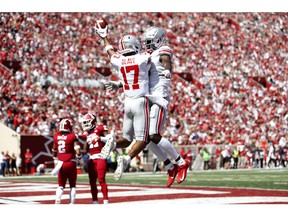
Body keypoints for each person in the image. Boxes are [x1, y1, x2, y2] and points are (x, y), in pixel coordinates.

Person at [94, 21, 166, 182]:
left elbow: (110, 51)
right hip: (141, 102)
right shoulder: (142, 58)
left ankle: (112, 143)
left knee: (126, 140)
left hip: (127, 103)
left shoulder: (119, 60)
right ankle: (126, 160)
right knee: (144, 139)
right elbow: (156, 52)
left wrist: (104, 37)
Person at [142, 26, 190, 186]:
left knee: (154, 135)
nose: (147, 46)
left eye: (149, 42)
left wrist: (168, 71)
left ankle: (181, 162)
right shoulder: (146, 55)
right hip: (148, 98)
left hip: (159, 97)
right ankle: (170, 166)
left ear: (158, 40)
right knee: (146, 139)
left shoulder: (163, 49)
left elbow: (166, 62)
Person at [51, 118, 82, 204]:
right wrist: (79, 156)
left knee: (61, 185)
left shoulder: (56, 136)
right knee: (72, 185)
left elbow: (53, 151)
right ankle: (71, 203)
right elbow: (78, 150)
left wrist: (55, 159)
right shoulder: (72, 136)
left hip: (61, 163)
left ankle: (57, 199)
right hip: (71, 162)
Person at [81, 113, 110, 204]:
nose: (86, 124)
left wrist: (99, 138)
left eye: (87, 122)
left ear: (93, 122)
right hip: (91, 159)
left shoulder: (100, 128)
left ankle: (105, 200)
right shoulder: (86, 134)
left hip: (100, 156)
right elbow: (85, 150)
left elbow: (109, 139)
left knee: (101, 179)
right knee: (92, 181)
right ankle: (95, 201)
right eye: (84, 122)